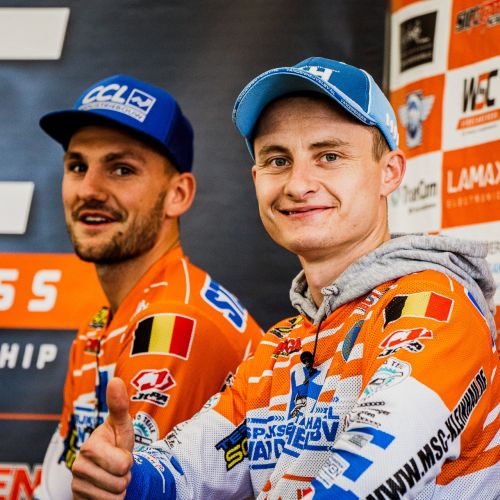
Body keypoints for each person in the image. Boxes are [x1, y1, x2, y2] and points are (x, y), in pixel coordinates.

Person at [70, 58, 499, 499]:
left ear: (389, 172)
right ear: (256, 179)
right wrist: (126, 478)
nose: (297, 184)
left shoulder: (437, 308)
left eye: (329, 156)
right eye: (278, 160)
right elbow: (189, 472)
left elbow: (355, 490)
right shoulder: (282, 346)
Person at [34, 74, 263, 499]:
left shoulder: (176, 322)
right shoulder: (98, 328)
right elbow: (57, 486)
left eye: (121, 169)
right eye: (77, 166)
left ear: (178, 194)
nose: (89, 189)